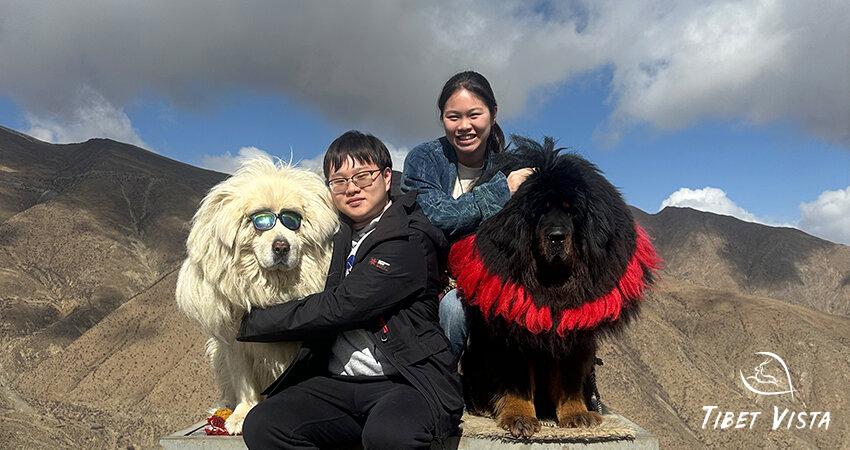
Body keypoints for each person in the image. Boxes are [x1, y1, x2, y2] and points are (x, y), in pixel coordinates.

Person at [238, 131, 463, 449]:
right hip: (339, 384)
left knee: (389, 437)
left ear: (387, 177)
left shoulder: (410, 237)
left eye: (363, 176)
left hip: (406, 381)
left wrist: (247, 322)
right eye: (339, 180)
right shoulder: (333, 235)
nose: (352, 188)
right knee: (265, 424)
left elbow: (342, 306)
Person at [401, 71, 532, 356]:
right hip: (434, 281)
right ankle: (442, 388)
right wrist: (502, 190)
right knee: (453, 309)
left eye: (474, 115)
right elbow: (436, 216)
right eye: (453, 117)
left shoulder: (514, 165)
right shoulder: (424, 160)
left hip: (497, 277)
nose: (464, 126)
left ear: (493, 114)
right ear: (442, 119)